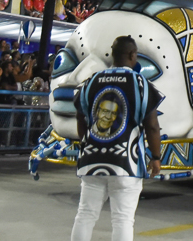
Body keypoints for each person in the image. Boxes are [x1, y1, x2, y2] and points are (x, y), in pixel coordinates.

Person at [70, 36, 163, 241]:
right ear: (132, 55)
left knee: (85, 215)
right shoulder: (141, 84)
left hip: (91, 160)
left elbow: (80, 115)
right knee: (122, 220)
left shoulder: (92, 81)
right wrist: (155, 157)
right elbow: (152, 126)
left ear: (112, 54)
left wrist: (85, 141)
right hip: (126, 163)